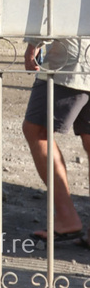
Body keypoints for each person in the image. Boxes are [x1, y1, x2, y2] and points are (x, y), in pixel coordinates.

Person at [22, 37, 90, 245]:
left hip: (70, 62)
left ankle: (66, 217)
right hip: (78, 59)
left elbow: (54, 9)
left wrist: (32, 45)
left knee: (36, 130)